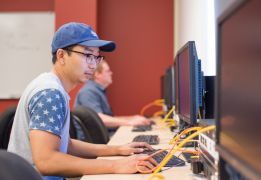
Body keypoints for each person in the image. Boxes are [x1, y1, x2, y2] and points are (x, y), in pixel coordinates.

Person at [7, 22, 156, 180]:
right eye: (87, 55)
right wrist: (117, 165)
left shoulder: (52, 86)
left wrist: (117, 149)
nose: (93, 64)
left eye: (97, 56)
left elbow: (67, 145)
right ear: (61, 56)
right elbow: (47, 161)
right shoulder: (50, 93)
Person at [74, 60, 153, 128]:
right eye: (108, 71)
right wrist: (129, 122)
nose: (111, 73)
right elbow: (100, 119)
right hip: (95, 143)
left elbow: (109, 118)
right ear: (97, 74)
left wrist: (131, 118)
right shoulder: (88, 92)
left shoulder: (97, 90)